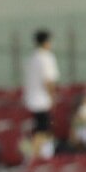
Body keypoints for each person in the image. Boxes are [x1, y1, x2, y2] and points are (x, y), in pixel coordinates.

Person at [24, 30, 61, 161]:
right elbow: (48, 81)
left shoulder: (32, 58)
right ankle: (38, 156)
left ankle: (37, 154)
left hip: (31, 99)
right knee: (43, 131)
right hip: (42, 100)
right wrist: (52, 97)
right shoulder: (46, 57)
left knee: (38, 130)